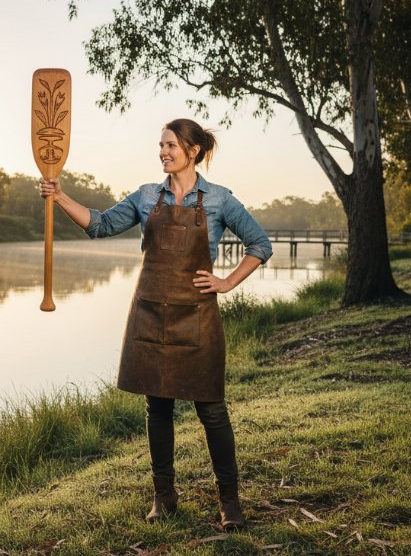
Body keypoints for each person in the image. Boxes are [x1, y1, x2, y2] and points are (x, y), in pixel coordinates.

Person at [39, 118, 273, 529]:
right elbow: (100, 225)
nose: (163, 152)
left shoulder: (219, 199)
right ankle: (164, 497)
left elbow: (260, 245)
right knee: (157, 407)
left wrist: (226, 282)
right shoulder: (147, 196)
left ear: (193, 150)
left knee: (212, 410)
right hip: (149, 312)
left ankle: (229, 501)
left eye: (170, 145)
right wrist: (59, 197)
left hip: (198, 317)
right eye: (160, 145)